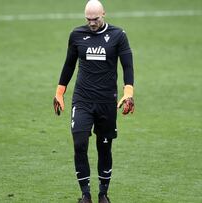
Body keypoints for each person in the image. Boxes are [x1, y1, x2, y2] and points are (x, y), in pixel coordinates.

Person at [53, 0, 134, 202]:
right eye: (88, 19)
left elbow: (127, 65)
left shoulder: (118, 36)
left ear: (104, 14)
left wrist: (129, 91)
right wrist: (59, 91)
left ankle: (103, 194)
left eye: (95, 19)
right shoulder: (77, 35)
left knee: (104, 146)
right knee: (79, 143)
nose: (91, 23)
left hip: (107, 101)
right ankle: (85, 194)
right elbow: (69, 64)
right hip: (82, 100)